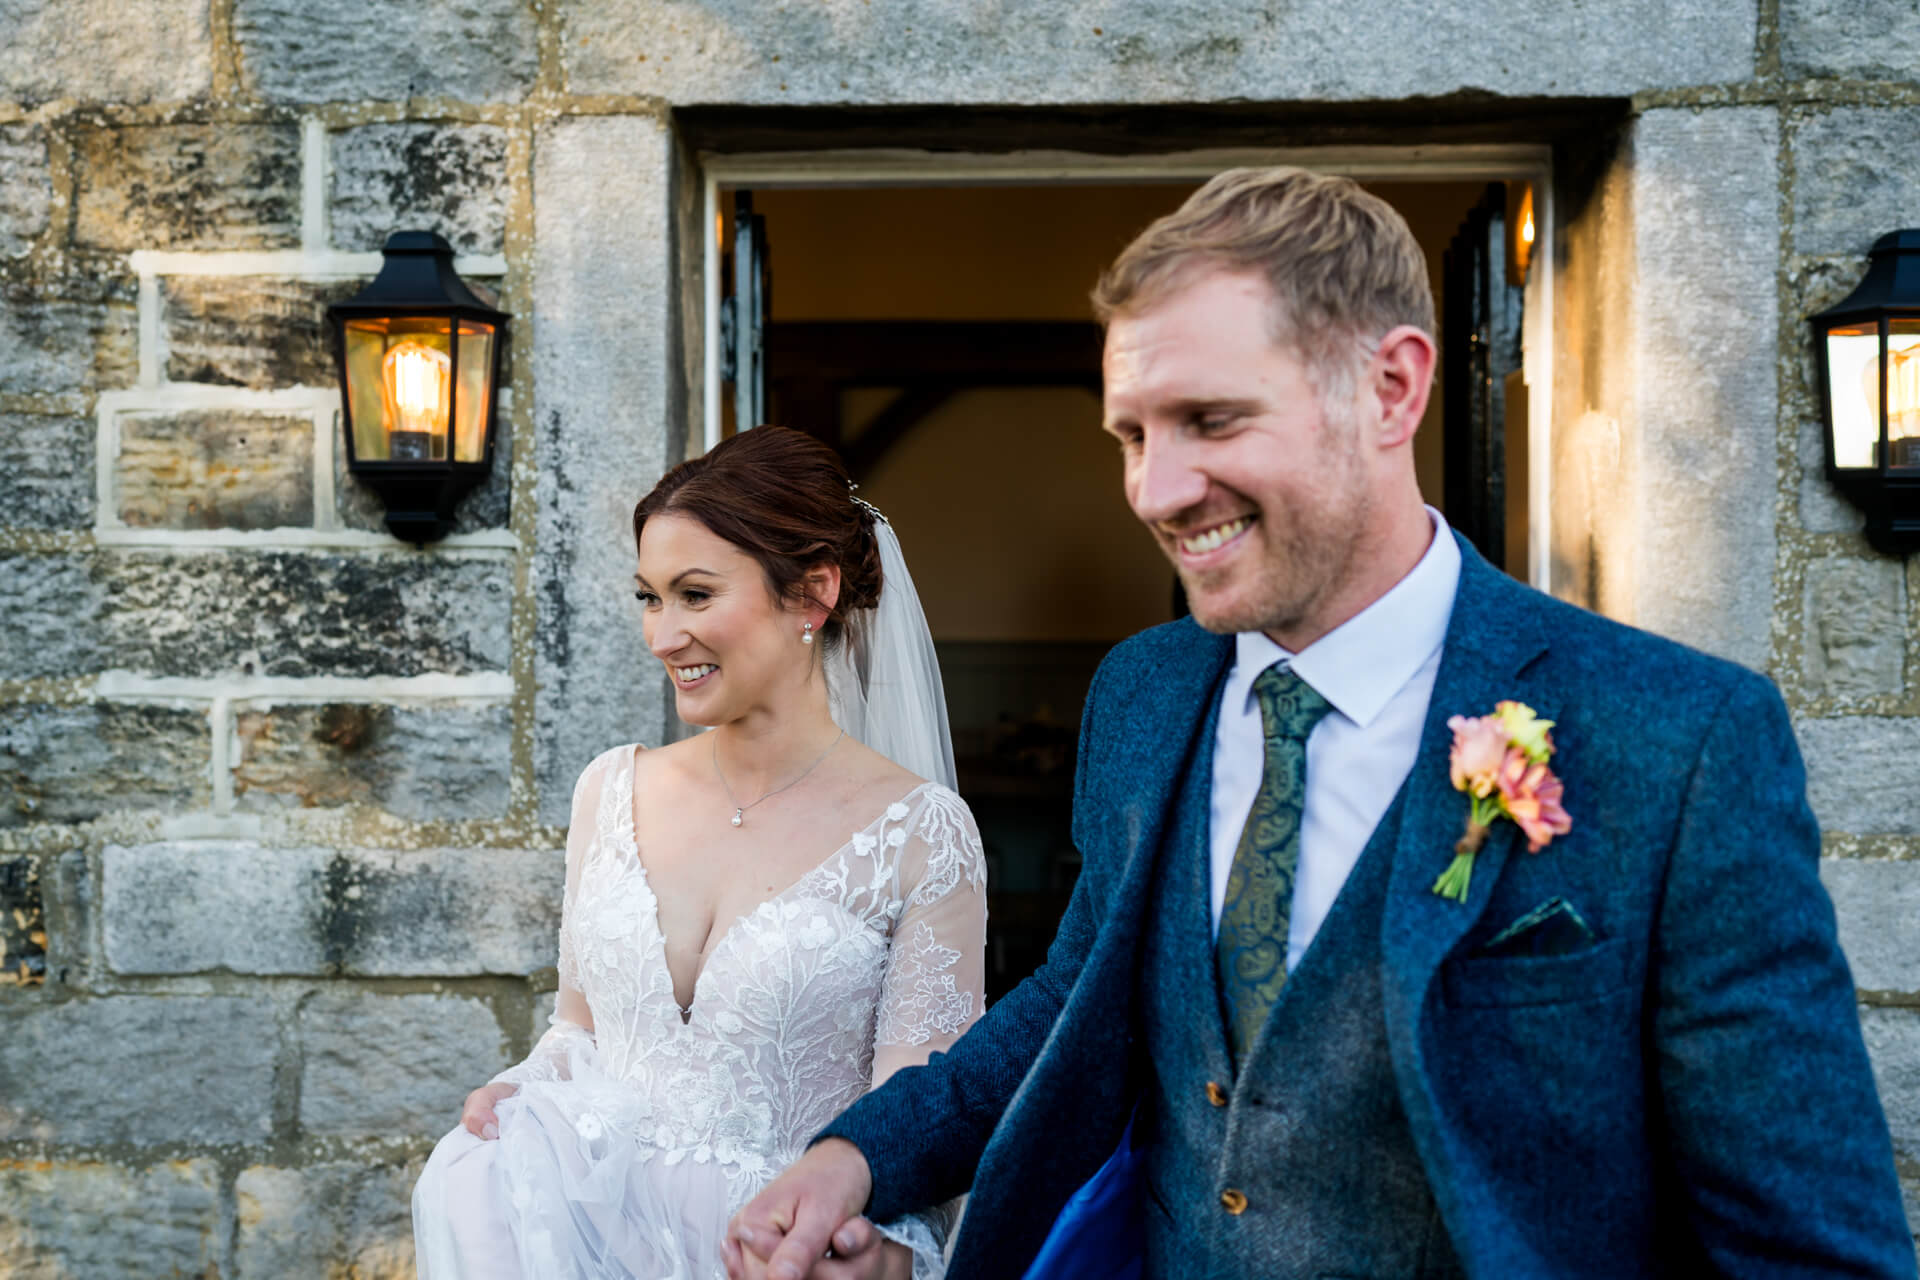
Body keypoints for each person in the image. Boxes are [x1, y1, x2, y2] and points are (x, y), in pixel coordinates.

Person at [726, 169, 1917, 1279]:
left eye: (1211, 419)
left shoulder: (1680, 736)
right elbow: (1076, 992)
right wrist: (864, 1154)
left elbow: (1805, 1242)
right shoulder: (1144, 693)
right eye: (1133, 434)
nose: (1155, 488)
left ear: (1392, 387)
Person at [413, 425, 987, 1280]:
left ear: (813, 595)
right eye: (649, 597)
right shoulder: (608, 792)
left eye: (694, 594)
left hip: (774, 1254)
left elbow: (923, 1118)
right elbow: (581, 1027)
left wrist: (880, 1254)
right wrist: (523, 1087)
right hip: (591, 1241)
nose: (662, 635)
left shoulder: (922, 834)